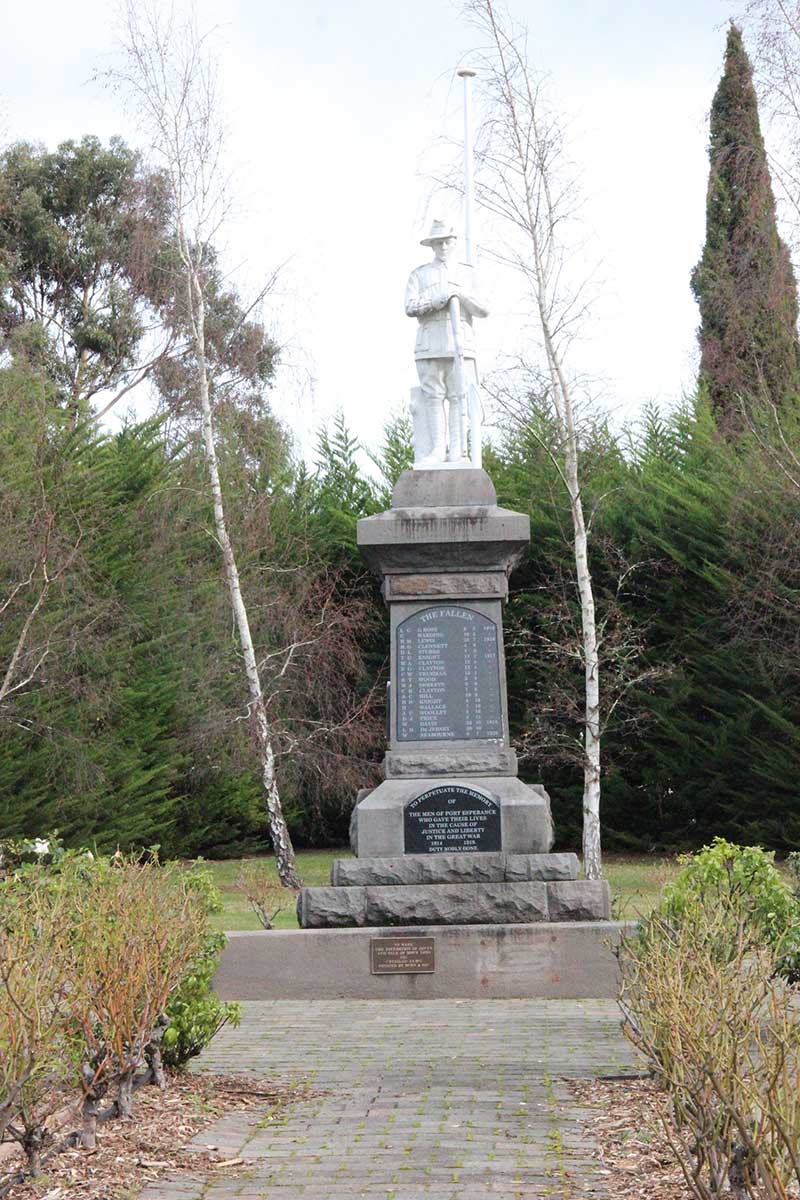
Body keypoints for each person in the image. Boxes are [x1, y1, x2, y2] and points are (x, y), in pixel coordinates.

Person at [405, 219, 489, 466]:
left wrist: (461, 295)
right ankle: (437, 449)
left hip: (460, 342)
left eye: (447, 241)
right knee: (433, 397)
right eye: (438, 242)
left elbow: (484, 308)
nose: (443, 246)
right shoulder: (420, 275)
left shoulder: (467, 273)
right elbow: (410, 306)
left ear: (454, 242)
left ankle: (457, 450)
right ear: (432, 245)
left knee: (459, 397)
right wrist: (439, 300)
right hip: (430, 343)